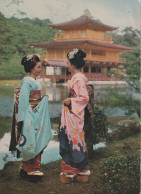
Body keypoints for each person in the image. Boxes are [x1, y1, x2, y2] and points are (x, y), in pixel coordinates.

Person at [9, 54, 53, 181]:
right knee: (30, 140)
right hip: (30, 116)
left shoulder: (33, 81)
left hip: (35, 114)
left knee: (35, 139)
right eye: (39, 67)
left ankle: (26, 167)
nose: (41, 69)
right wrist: (23, 120)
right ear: (32, 68)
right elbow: (23, 102)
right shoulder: (27, 82)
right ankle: (30, 169)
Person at [59, 48, 91, 183]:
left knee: (73, 139)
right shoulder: (77, 77)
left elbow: (84, 98)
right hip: (73, 113)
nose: (67, 64)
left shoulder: (77, 79)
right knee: (75, 139)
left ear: (73, 64)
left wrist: (70, 101)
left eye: (68, 62)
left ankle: (71, 171)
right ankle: (81, 170)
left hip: (74, 115)